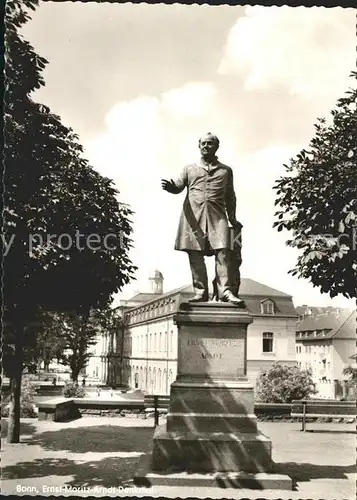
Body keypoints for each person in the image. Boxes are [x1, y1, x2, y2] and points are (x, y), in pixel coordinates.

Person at [161, 133, 243, 304]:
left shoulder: (225, 170)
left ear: (216, 147)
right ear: (199, 146)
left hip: (218, 216)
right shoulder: (189, 169)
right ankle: (200, 292)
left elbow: (230, 196)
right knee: (195, 255)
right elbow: (178, 185)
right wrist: (172, 188)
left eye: (210, 143)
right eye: (203, 143)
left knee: (223, 253)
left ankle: (225, 291)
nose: (206, 146)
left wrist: (233, 218)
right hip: (193, 217)